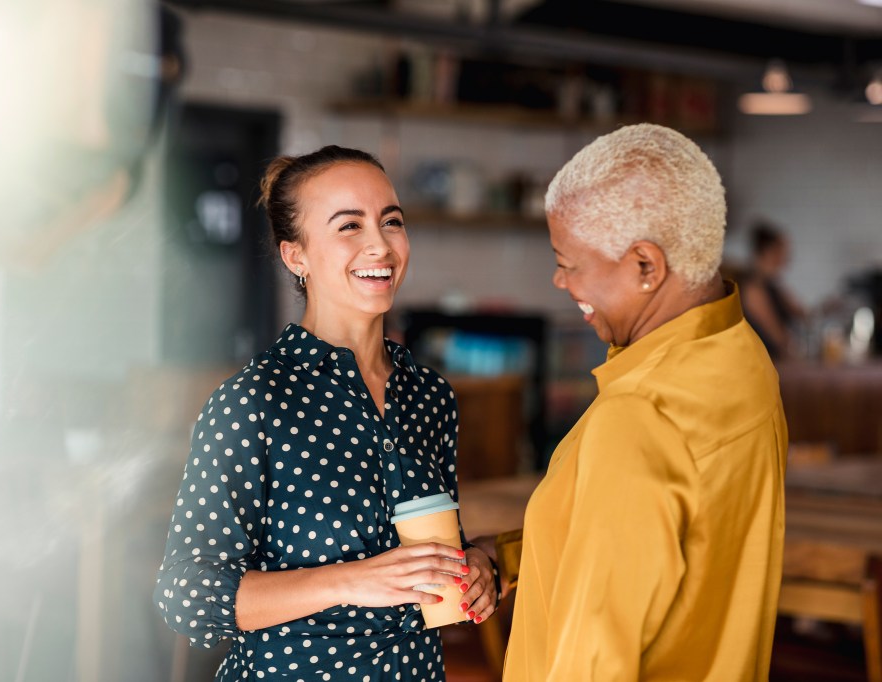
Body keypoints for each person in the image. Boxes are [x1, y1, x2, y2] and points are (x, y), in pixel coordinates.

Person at [153, 145, 498, 680]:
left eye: (392, 221)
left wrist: (478, 563)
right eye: (349, 226)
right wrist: (352, 580)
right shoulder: (254, 401)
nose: (380, 245)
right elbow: (187, 596)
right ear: (297, 256)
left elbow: (431, 549)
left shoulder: (430, 396)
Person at [487, 124, 787, 681]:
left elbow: (594, 661)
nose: (559, 279)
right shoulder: (743, 361)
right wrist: (510, 556)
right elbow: (664, 544)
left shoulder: (640, 415)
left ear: (645, 266)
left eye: (569, 262)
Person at [741, 221, 806, 359]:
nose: (787, 258)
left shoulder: (773, 285)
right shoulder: (754, 289)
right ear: (768, 251)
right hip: (764, 364)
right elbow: (778, 337)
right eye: (782, 251)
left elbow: (802, 314)